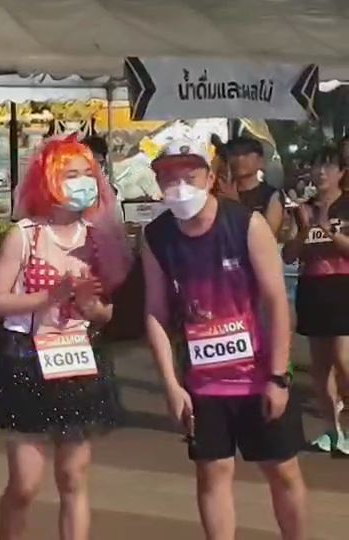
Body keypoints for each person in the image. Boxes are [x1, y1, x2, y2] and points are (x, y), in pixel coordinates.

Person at [142, 137, 308, 540]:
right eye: (169, 177)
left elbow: (276, 301)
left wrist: (278, 376)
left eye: (190, 176)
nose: (180, 186)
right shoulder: (155, 236)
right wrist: (171, 384)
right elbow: (155, 312)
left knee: (283, 471)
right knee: (213, 472)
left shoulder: (245, 224)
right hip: (203, 382)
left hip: (258, 376)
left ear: (211, 177)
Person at [0, 135, 131, 540]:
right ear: (49, 180)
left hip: (78, 358)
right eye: (71, 174)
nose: (83, 182)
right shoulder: (25, 235)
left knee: (73, 477)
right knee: (25, 484)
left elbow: (108, 312)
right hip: (27, 359)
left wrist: (91, 307)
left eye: (88, 174)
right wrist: (51, 296)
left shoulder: (98, 239)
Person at [282, 146, 349, 455]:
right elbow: (289, 255)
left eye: (329, 166)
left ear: (342, 172)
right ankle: (332, 430)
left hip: (343, 286)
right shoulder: (303, 209)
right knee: (320, 367)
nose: (321, 173)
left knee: (343, 361)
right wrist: (304, 231)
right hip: (312, 287)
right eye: (317, 166)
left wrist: (329, 232)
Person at [225, 136, 284, 237]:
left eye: (246, 153)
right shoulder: (222, 192)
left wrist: (235, 205)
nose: (240, 158)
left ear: (260, 161)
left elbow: (267, 236)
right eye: (234, 154)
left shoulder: (271, 195)